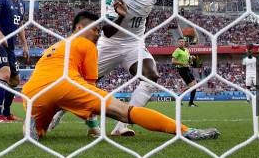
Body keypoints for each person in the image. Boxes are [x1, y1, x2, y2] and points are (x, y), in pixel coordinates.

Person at [22, 11, 219, 141]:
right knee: (126, 111)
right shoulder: (87, 46)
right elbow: (90, 91)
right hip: (66, 85)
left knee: (42, 130)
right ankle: (185, 131)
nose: (99, 34)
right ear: (79, 29)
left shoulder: (54, 46)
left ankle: (29, 125)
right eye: (96, 30)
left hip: (31, 93)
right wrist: (93, 127)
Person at [49, 0, 162, 137]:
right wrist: (121, 16)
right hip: (110, 44)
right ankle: (57, 113)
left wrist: (140, 37)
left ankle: (121, 126)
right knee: (82, 83)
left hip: (134, 44)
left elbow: (146, 16)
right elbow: (108, 31)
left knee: (151, 77)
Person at [172, 37, 198, 107]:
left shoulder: (186, 50)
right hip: (182, 69)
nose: (181, 42)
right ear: (178, 42)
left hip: (187, 69)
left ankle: (189, 102)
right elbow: (173, 61)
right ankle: (181, 99)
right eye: (180, 41)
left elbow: (188, 59)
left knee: (195, 85)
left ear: (184, 42)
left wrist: (192, 58)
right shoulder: (177, 51)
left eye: (183, 41)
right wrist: (182, 63)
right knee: (192, 86)